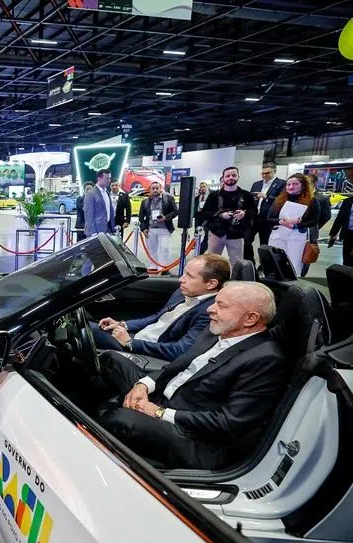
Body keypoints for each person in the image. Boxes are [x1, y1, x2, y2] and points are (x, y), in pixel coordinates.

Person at [96, 282, 286, 470]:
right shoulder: (216, 331)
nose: (210, 309)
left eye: (221, 305)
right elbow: (176, 366)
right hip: (168, 397)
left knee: (119, 419)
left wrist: (160, 413)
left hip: (192, 434)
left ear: (250, 318)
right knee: (111, 360)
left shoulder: (265, 359)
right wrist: (142, 386)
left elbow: (228, 422)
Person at [91, 254, 229, 361]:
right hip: (136, 337)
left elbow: (181, 350)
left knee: (84, 330)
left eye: (189, 276)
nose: (181, 279)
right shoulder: (183, 292)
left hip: (146, 351)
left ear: (211, 284)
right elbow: (156, 318)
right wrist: (122, 324)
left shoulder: (210, 312)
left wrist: (130, 343)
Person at [266, 173, 321, 278]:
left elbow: (314, 221)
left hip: (297, 237)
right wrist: (281, 221)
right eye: (288, 184)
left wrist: (299, 223)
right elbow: (269, 218)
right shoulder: (279, 200)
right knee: (276, 262)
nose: (291, 187)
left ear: (303, 185)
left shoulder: (312, 201)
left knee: (294, 264)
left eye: (295, 184)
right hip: (278, 235)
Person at [201, 167, 255, 267]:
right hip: (216, 233)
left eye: (234, 175)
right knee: (211, 263)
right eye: (228, 176)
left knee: (237, 263)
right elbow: (205, 213)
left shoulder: (247, 195)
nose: (231, 178)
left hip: (237, 235)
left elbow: (254, 212)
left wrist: (244, 214)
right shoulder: (214, 196)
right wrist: (220, 215)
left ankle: (235, 281)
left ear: (238, 176)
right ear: (223, 178)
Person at [247, 162, 287, 260]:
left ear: (275, 171)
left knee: (265, 244)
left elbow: (282, 200)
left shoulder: (282, 184)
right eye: (263, 173)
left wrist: (267, 197)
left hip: (268, 220)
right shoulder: (256, 184)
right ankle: (250, 262)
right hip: (254, 218)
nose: (265, 175)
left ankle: (264, 266)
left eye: (268, 173)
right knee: (246, 240)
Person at [138, 183, 178, 270]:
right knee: (152, 249)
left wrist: (165, 218)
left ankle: (163, 267)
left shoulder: (168, 199)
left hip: (165, 228)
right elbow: (141, 217)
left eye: (157, 188)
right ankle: (153, 266)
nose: (155, 190)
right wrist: (144, 229)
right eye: (153, 188)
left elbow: (175, 211)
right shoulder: (145, 202)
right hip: (151, 229)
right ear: (150, 190)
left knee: (164, 248)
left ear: (160, 189)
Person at [84, 169, 115, 236]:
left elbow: (110, 210)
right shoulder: (91, 194)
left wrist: (113, 228)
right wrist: (93, 232)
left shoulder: (107, 193)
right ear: (99, 179)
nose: (109, 181)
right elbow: (88, 215)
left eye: (109, 178)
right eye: (107, 178)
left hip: (108, 230)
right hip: (96, 231)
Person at [328, 196, 353, 266]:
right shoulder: (347, 201)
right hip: (348, 234)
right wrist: (333, 234)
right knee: (347, 260)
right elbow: (339, 218)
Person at [195, 181, 211, 253]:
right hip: (199, 216)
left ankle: (201, 250)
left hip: (207, 217)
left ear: (207, 187)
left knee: (207, 234)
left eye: (204, 187)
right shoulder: (198, 196)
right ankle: (197, 247)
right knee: (197, 232)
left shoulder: (211, 196)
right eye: (201, 187)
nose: (202, 188)